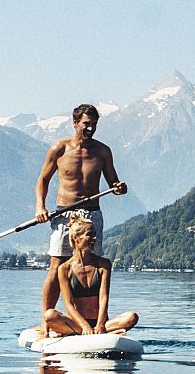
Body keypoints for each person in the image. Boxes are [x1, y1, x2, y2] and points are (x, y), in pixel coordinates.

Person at [35, 103, 128, 269]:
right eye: (86, 123)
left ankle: (84, 296)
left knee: (89, 267)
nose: (91, 128)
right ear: (75, 123)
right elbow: (43, 179)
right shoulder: (60, 149)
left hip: (92, 214)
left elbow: (114, 183)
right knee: (57, 265)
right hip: (65, 212)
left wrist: (119, 187)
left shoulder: (103, 151)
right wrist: (40, 207)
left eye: (94, 124)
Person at [39, 214, 139, 338]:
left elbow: (103, 299)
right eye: (89, 234)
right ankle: (89, 331)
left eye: (95, 234)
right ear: (76, 237)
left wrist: (100, 324)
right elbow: (68, 304)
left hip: (100, 323)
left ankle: (80, 332)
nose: (94, 238)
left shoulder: (103, 265)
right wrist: (85, 326)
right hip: (77, 324)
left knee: (131, 317)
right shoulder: (64, 269)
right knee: (49, 315)